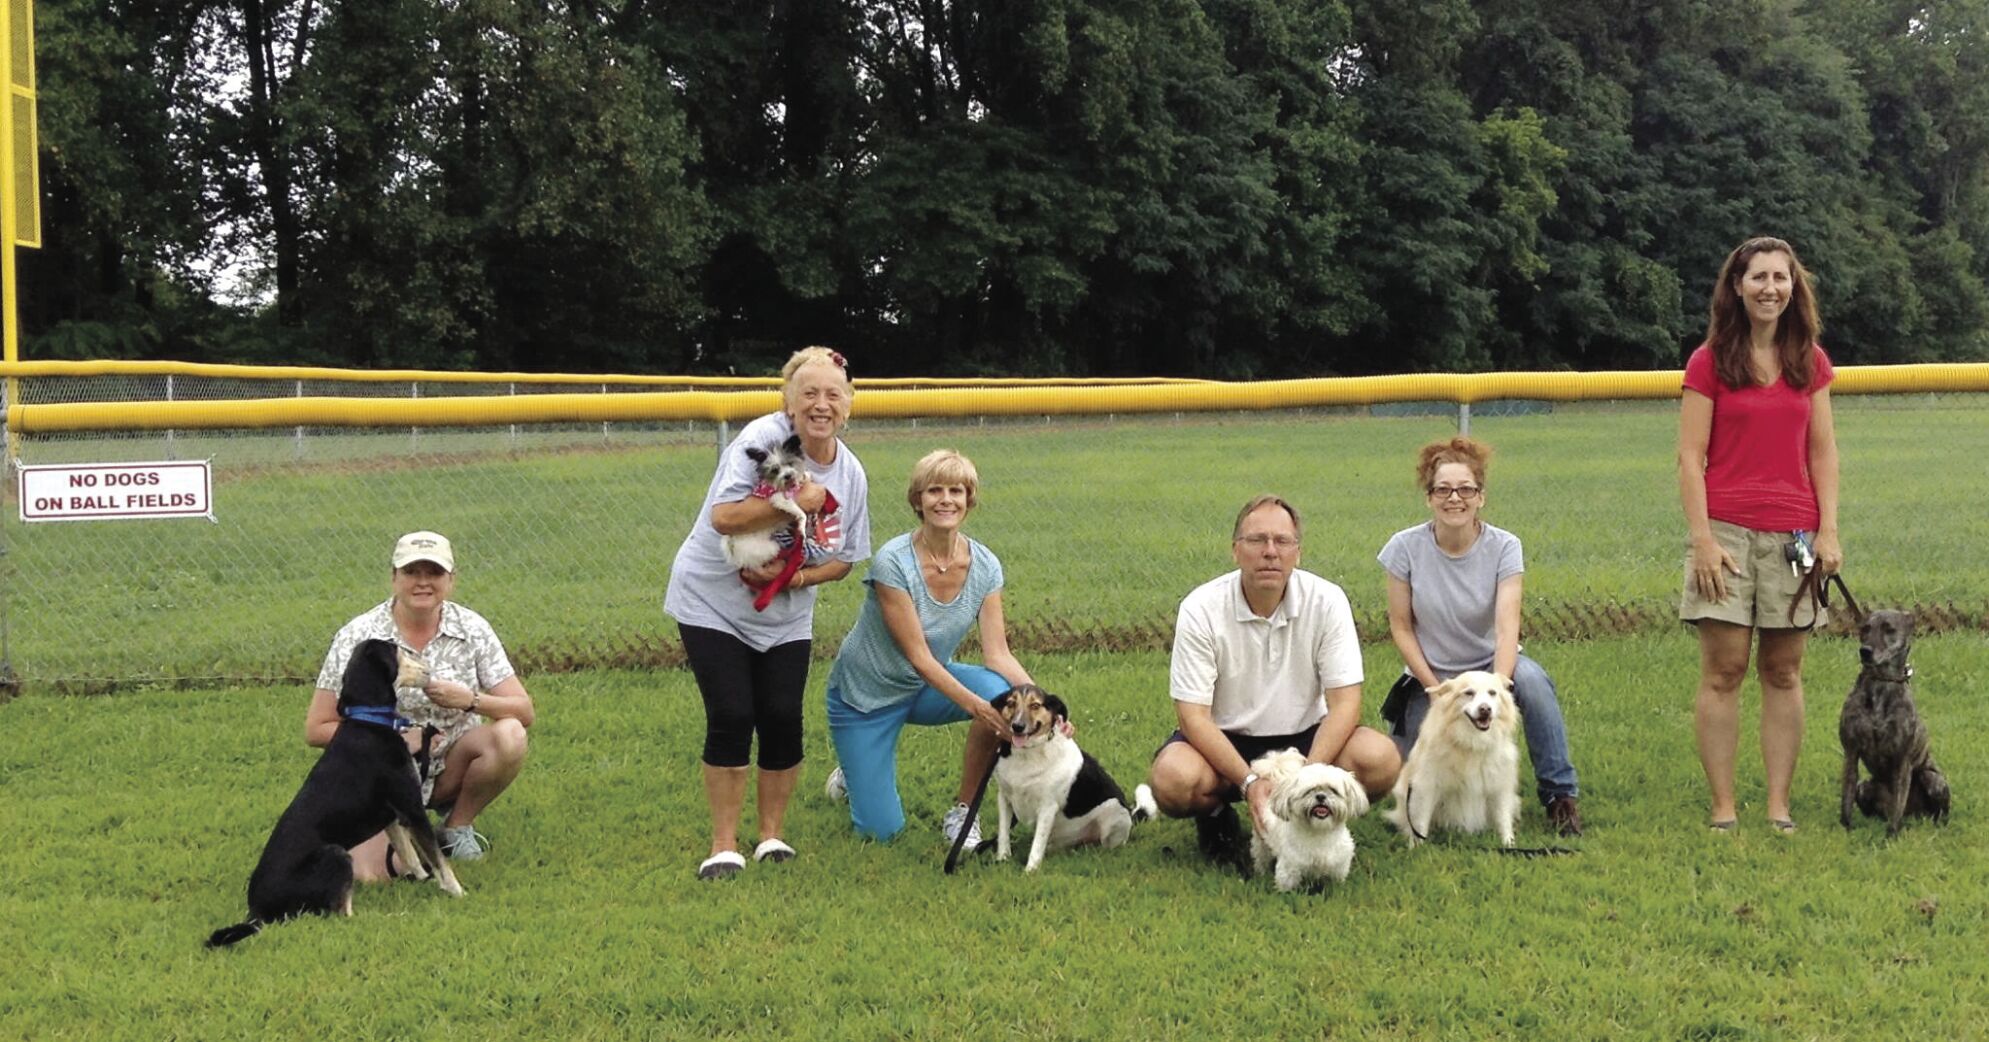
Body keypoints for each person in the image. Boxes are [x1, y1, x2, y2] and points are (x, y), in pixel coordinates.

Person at [665, 347, 870, 880]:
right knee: (733, 714)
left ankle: (772, 837)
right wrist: (800, 498)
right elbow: (724, 517)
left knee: (782, 718)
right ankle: (724, 845)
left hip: (785, 610)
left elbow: (845, 561)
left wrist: (794, 579)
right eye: (809, 393)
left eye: (833, 394)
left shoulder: (852, 473)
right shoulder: (762, 440)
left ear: (849, 405)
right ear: (789, 401)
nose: (821, 405)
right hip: (712, 599)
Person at [1679, 236, 1841, 835]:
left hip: (1793, 536)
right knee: (1723, 671)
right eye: (1758, 278)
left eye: (1781, 277)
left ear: (1794, 287)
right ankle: (1723, 807)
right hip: (1724, 534)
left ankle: (1778, 806)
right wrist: (1702, 540)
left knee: (1784, 671)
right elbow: (1689, 456)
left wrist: (1828, 531)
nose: (1770, 288)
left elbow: (1822, 452)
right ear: (1737, 288)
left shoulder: (1811, 361)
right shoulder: (1710, 361)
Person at [1147, 494, 1401, 872]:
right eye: (1256, 540)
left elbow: (1346, 704)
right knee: (1172, 780)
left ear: (1298, 552)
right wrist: (1250, 783)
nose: (1270, 552)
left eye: (1282, 541)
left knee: (1380, 759)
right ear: (1235, 550)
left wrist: (1307, 780)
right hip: (1226, 739)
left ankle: (1319, 824)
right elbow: (1193, 717)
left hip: (1306, 737)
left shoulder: (1328, 600)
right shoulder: (1200, 608)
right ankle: (1217, 818)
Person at [822, 449, 1032, 849]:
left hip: (925, 689)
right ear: (917, 500)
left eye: (957, 490)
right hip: (865, 698)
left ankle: (963, 814)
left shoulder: (985, 565)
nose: (946, 499)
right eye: (934, 490)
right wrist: (978, 709)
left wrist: (1042, 704)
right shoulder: (892, 562)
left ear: (970, 500)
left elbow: (998, 655)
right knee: (881, 833)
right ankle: (851, 772)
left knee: (1002, 696)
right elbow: (918, 658)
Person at [1377, 436, 1583, 837]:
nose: (1455, 498)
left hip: (1493, 666)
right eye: (1443, 489)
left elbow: (1508, 625)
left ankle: (1560, 795)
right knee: (1400, 770)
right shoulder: (1403, 548)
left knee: (1535, 685)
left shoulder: (1505, 546)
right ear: (1429, 497)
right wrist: (1436, 689)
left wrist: (1499, 685)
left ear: (1481, 497)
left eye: (1466, 489)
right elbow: (1401, 626)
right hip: (1432, 674)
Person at [306, 530, 535, 878]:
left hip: (449, 764)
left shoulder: (472, 628)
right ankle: (398, 836)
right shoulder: (359, 636)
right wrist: (395, 738)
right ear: (394, 577)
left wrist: (470, 700)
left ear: (451, 580)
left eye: (435, 573)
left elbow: (523, 710)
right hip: (380, 778)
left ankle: (455, 827)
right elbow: (317, 728)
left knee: (511, 735)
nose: (423, 582)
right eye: (412, 572)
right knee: (373, 875)